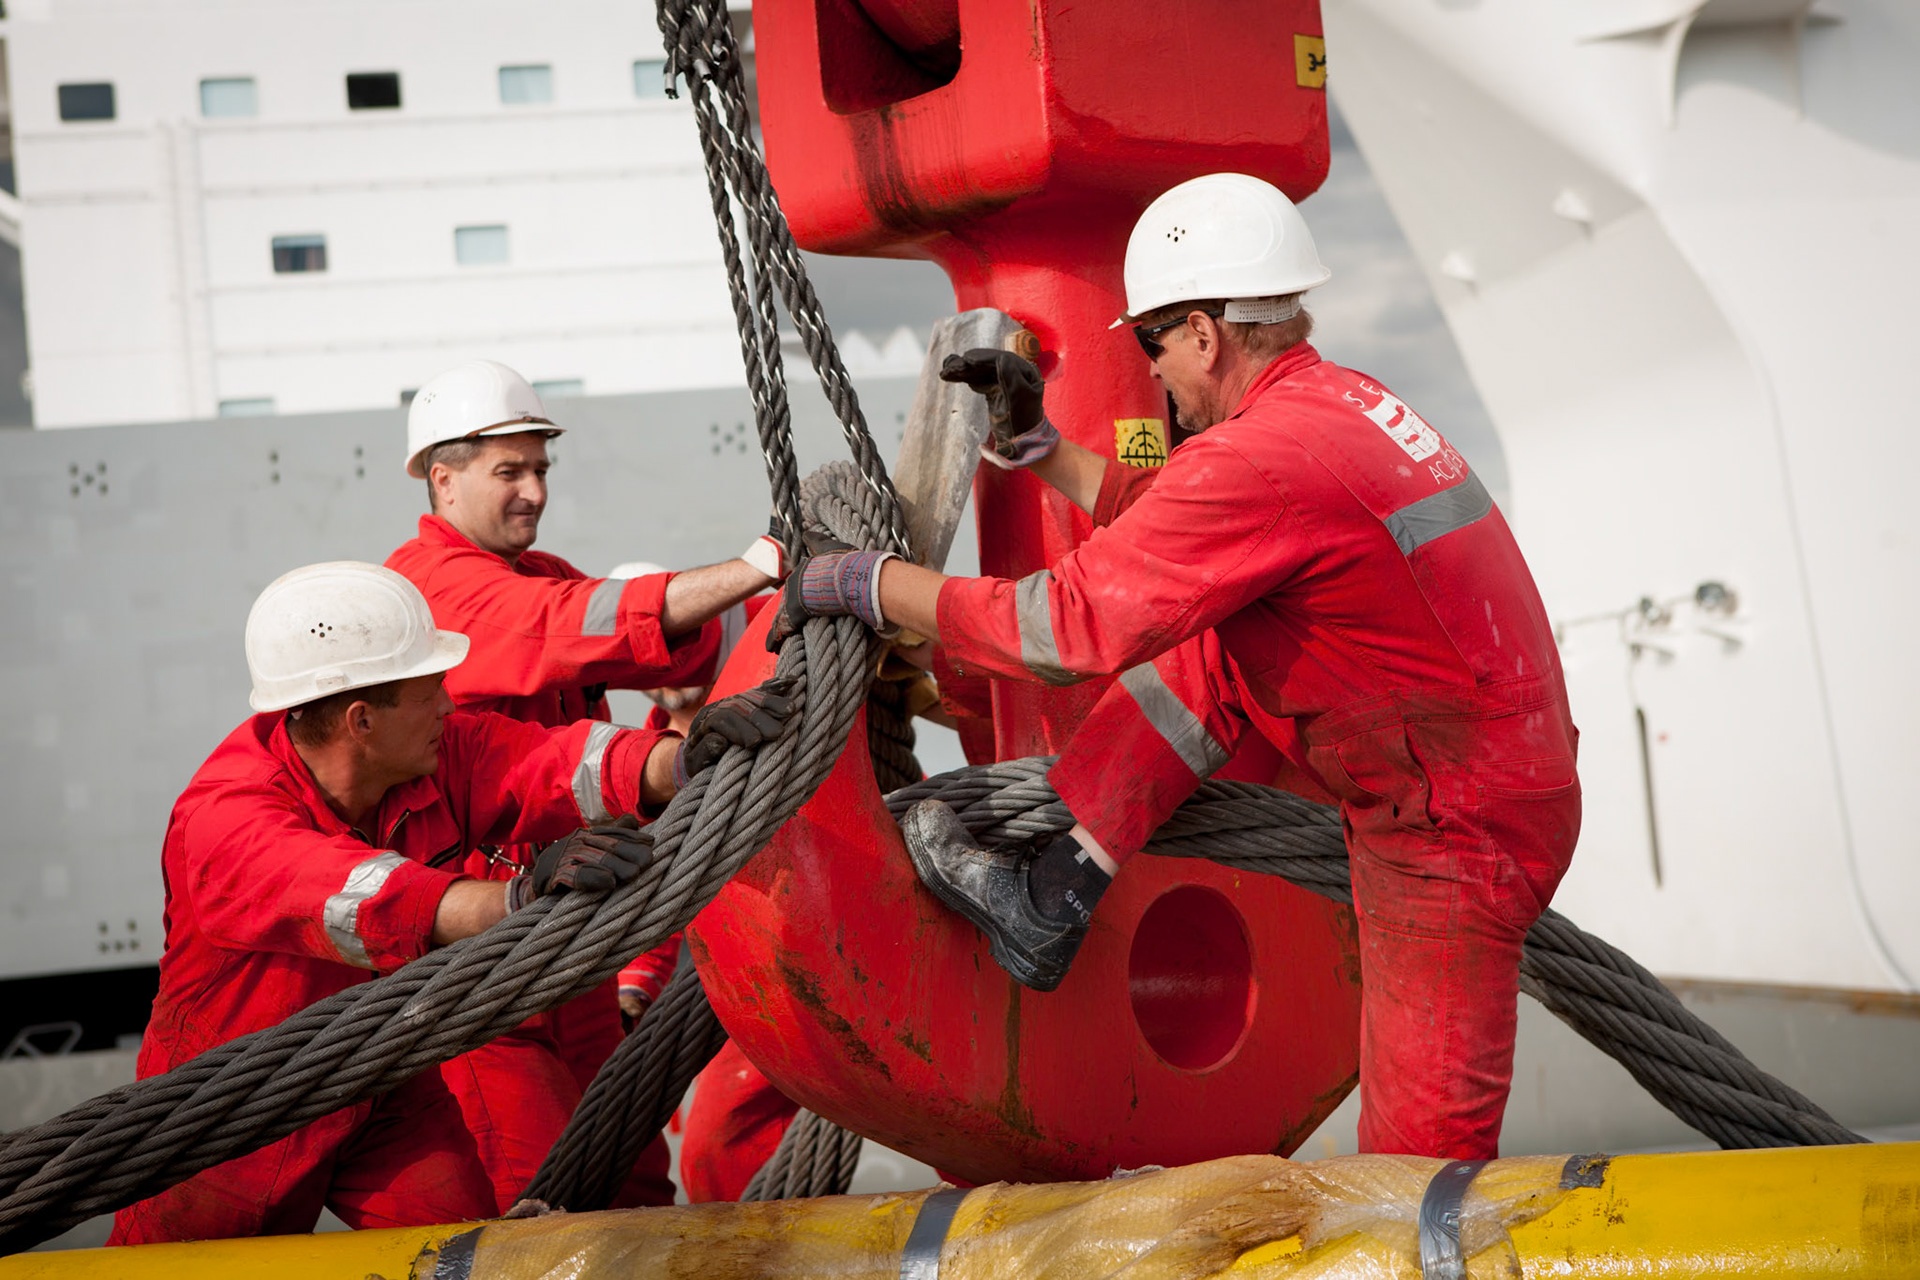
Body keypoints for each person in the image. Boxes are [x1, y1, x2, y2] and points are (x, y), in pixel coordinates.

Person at [771, 173, 1581, 1160]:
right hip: (1475, 766)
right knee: (1204, 636)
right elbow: (1190, 532)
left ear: (1203, 332)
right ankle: (1058, 885)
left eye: (1151, 344)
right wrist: (1039, 449)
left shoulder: (1258, 459)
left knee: (1416, 1170)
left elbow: (1058, 630)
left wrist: (867, 583)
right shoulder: (1335, 408)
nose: (1155, 373)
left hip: (1453, 828)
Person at [110, 562, 793, 1244]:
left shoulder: (424, 759)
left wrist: (679, 760)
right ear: (361, 720)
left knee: (466, 1250)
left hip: (378, 1082)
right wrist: (520, 895)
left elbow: (550, 761)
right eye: (429, 690)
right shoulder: (227, 819)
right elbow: (363, 899)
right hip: (229, 1115)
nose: (447, 706)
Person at [385, 361, 787, 1210]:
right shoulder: (434, 588)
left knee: (634, 1182)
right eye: (510, 472)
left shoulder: (540, 571)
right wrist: (758, 565)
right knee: (545, 1197)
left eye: (540, 470)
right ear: (442, 477)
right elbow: (569, 630)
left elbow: (657, 652)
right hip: (485, 956)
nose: (533, 491)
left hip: (579, 926)